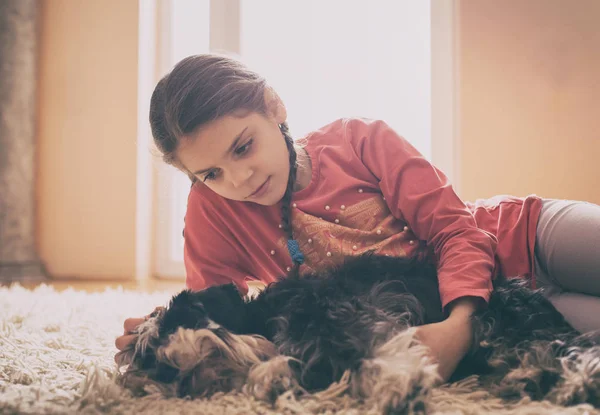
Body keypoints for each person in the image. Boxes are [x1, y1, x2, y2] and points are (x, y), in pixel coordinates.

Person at [115, 53, 600, 383]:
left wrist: (460, 326)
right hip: (512, 317)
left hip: (524, 237)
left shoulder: (359, 140)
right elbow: (225, 317)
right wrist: (163, 336)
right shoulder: (212, 212)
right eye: (211, 173)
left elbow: (456, 230)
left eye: (244, 147)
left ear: (274, 109)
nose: (238, 179)